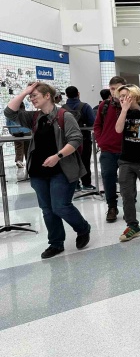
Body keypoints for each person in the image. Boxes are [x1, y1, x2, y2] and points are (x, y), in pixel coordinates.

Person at [4, 82, 90, 259]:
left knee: (60, 206)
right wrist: (26, 91)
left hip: (62, 169)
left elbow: (75, 140)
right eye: (30, 96)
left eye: (35, 95)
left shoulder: (64, 116)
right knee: (47, 209)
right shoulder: (34, 117)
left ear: (47, 96)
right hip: (38, 171)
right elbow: (9, 112)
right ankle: (56, 243)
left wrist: (57, 156)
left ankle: (83, 228)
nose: (31, 98)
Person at [114, 85, 140, 241]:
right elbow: (118, 130)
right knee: (127, 195)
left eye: (125, 95)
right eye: (120, 96)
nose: (122, 99)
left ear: (135, 96)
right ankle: (132, 226)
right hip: (126, 161)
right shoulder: (122, 114)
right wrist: (124, 111)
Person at [94, 76, 126, 223]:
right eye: (112, 89)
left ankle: (128, 206)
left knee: (127, 180)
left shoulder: (130, 105)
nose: (115, 92)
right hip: (108, 150)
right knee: (108, 177)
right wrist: (101, 141)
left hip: (126, 149)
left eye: (118, 89)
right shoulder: (104, 106)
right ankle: (112, 206)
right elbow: (97, 126)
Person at [63, 86, 96, 191]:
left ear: (66, 95)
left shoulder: (62, 108)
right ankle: (86, 183)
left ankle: (75, 184)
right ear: (78, 93)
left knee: (71, 162)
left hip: (68, 140)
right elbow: (92, 122)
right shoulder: (85, 106)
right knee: (85, 161)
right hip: (84, 138)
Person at [6, 102, 31, 168]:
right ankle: (28, 160)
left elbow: (8, 123)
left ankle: (19, 161)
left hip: (15, 132)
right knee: (28, 147)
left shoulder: (10, 114)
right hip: (27, 131)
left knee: (18, 146)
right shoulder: (26, 113)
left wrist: (11, 131)